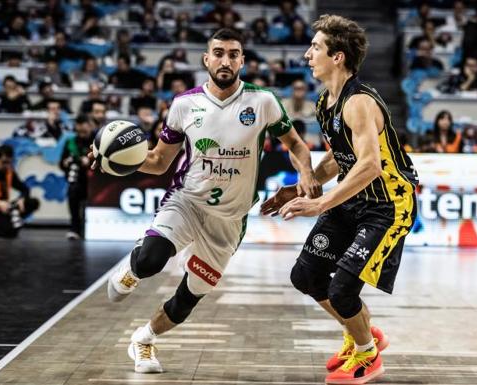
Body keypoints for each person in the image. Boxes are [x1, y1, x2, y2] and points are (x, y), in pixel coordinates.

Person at [88, 28, 320, 374]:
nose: (226, 60)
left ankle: (144, 339)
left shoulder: (263, 101)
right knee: (152, 259)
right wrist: (113, 161)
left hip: (229, 220)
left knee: (186, 301)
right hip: (187, 202)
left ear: (242, 60)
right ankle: (133, 269)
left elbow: (297, 145)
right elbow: (159, 161)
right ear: (206, 59)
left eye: (233, 53)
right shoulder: (183, 105)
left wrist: (306, 173)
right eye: (219, 52)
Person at [261, 15, 418, 385]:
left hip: (387, 205)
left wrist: (319, 203)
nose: (307, 54)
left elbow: (370, 166)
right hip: (352, 200)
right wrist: (306, 185)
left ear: (338, 57)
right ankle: (364, 333)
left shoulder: (358, 102)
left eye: (315, 47)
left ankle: (367, 355)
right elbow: (337, 157)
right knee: (306, 276)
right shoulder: (325, 101)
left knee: (343, 289)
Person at [0, 144, 40, 238]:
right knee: (9, 229)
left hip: (5, 208)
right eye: (4, 162)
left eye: (9, 162)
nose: (6, 166)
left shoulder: (9, 172)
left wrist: (22, 198)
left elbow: (24, 188)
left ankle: (8, 223)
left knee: (33, 203)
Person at [60, 115, 93, 239]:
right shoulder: (70, 142)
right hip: (76, 180)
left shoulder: (97, 142)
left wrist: (88, 162)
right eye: (79, 131)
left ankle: (88, 229)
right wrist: (66, 163)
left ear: (90, 127)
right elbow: (61, 163)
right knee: (73, 192)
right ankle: (75, 228)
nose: (82, 134)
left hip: (93, 181)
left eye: (84, 131)